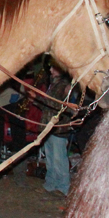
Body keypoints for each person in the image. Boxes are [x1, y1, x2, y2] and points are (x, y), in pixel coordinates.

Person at [37, 65, 77, 196]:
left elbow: (59, 106)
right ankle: (50, 185)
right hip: (48, 128)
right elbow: (47, 106)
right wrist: (36, 100)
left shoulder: (65, 86)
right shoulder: (52, 85)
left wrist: (40, 98)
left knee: (59, 160)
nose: (50, 70)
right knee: (50, 159)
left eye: (53, 68)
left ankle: (63, 187)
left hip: (59, 129)